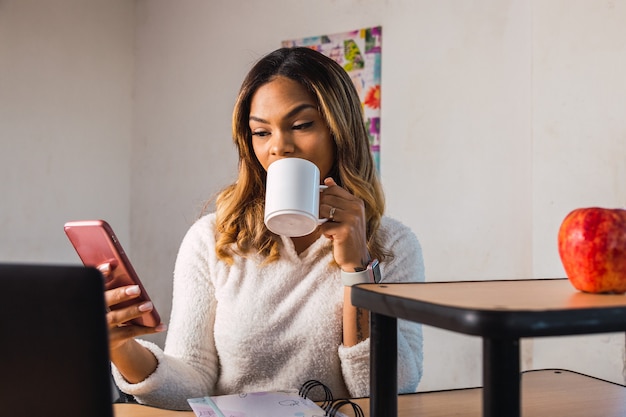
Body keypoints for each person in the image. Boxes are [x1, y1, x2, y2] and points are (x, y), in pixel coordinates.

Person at [107, 46, 425, 410]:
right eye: (261, 132)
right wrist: (121, 348)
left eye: (302, 125)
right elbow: (192, 383)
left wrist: (358, 268)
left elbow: (388, 391)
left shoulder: (393, 244)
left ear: (340, 131)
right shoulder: (213, 239)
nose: (280, 147)